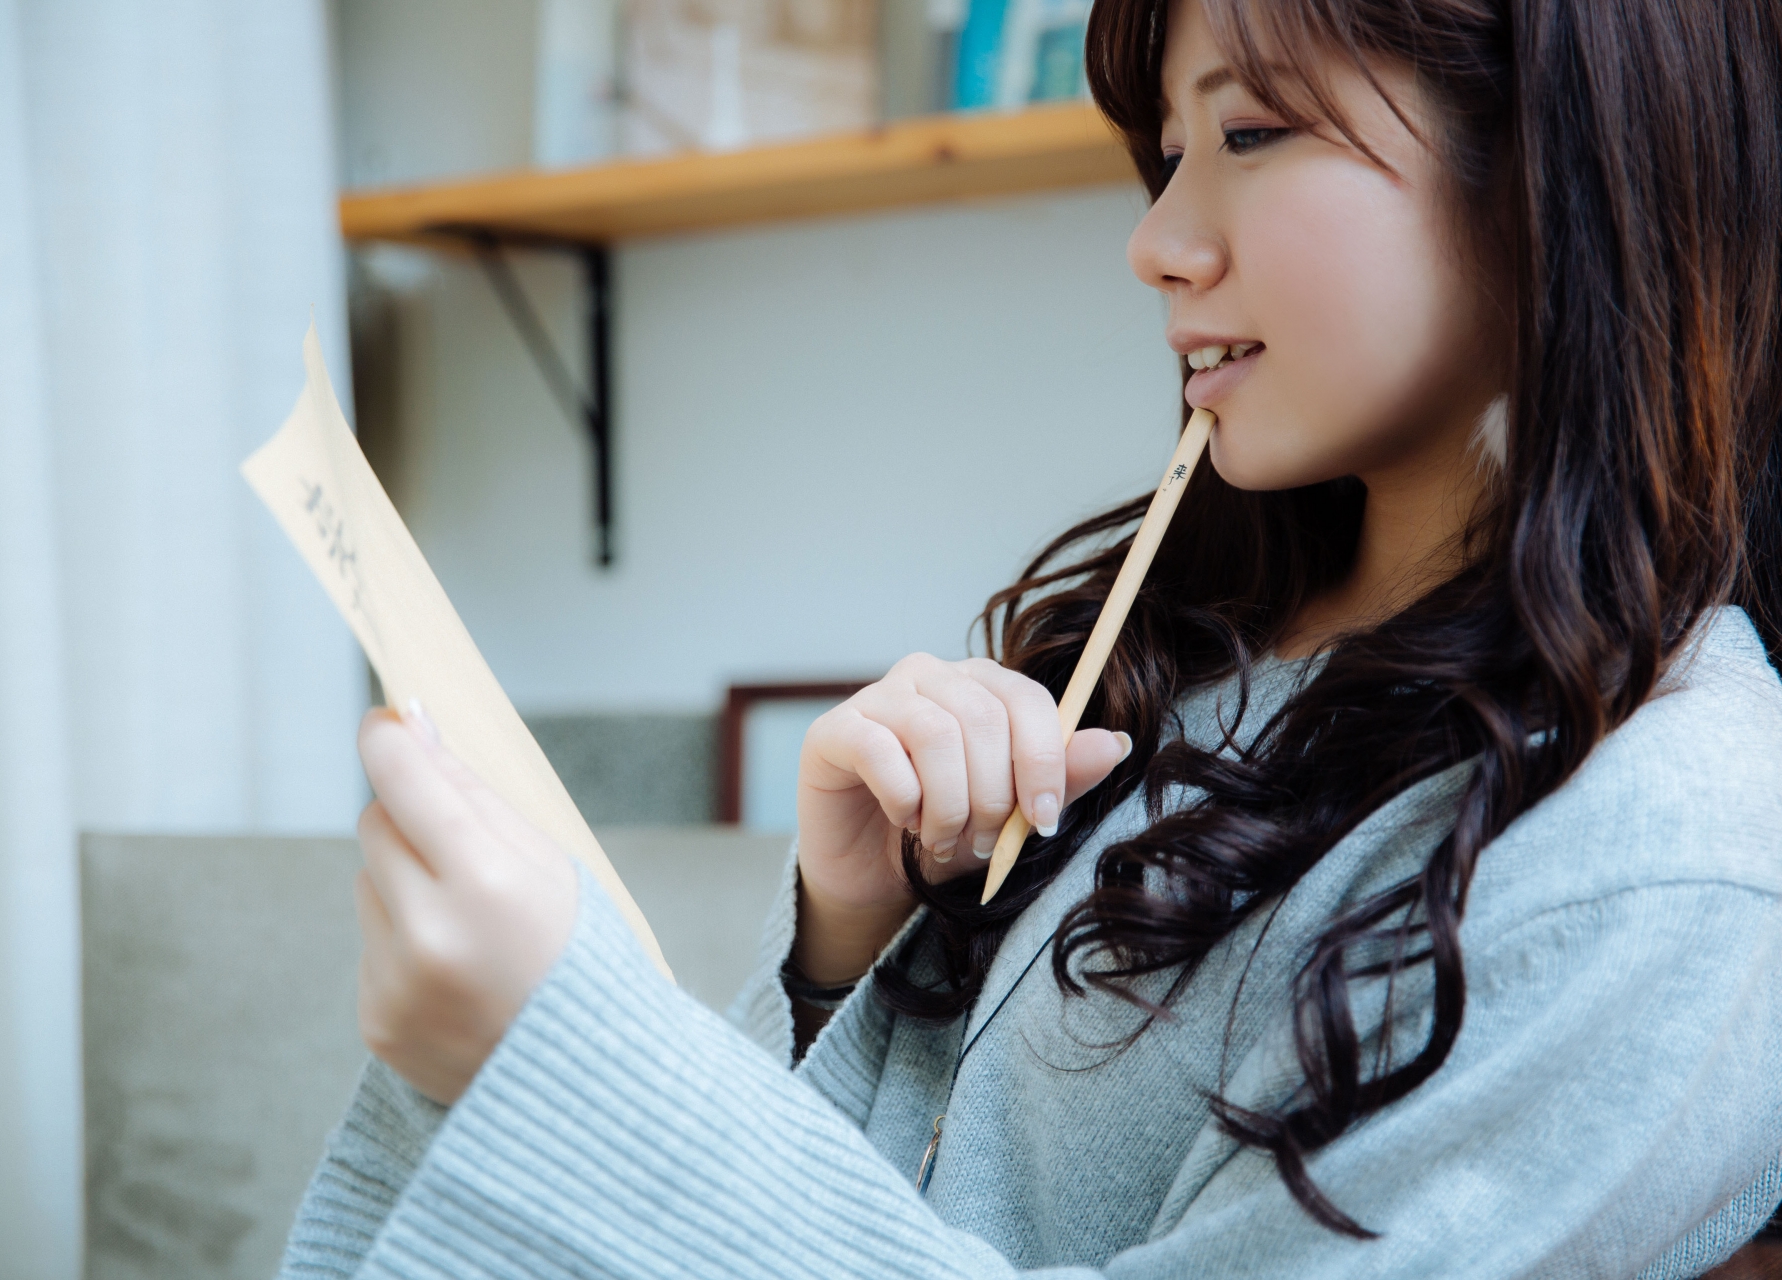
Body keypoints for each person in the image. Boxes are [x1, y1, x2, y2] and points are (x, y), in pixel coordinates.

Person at [279, 0, 1782, 1274]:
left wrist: (572, 1083)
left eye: (1253, 134)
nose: (1157, 242)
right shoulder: (1173, 657)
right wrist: (837, 947)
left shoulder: (1661, 841)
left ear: (1553, 166)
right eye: (1169, 155)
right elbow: (890, 1187)